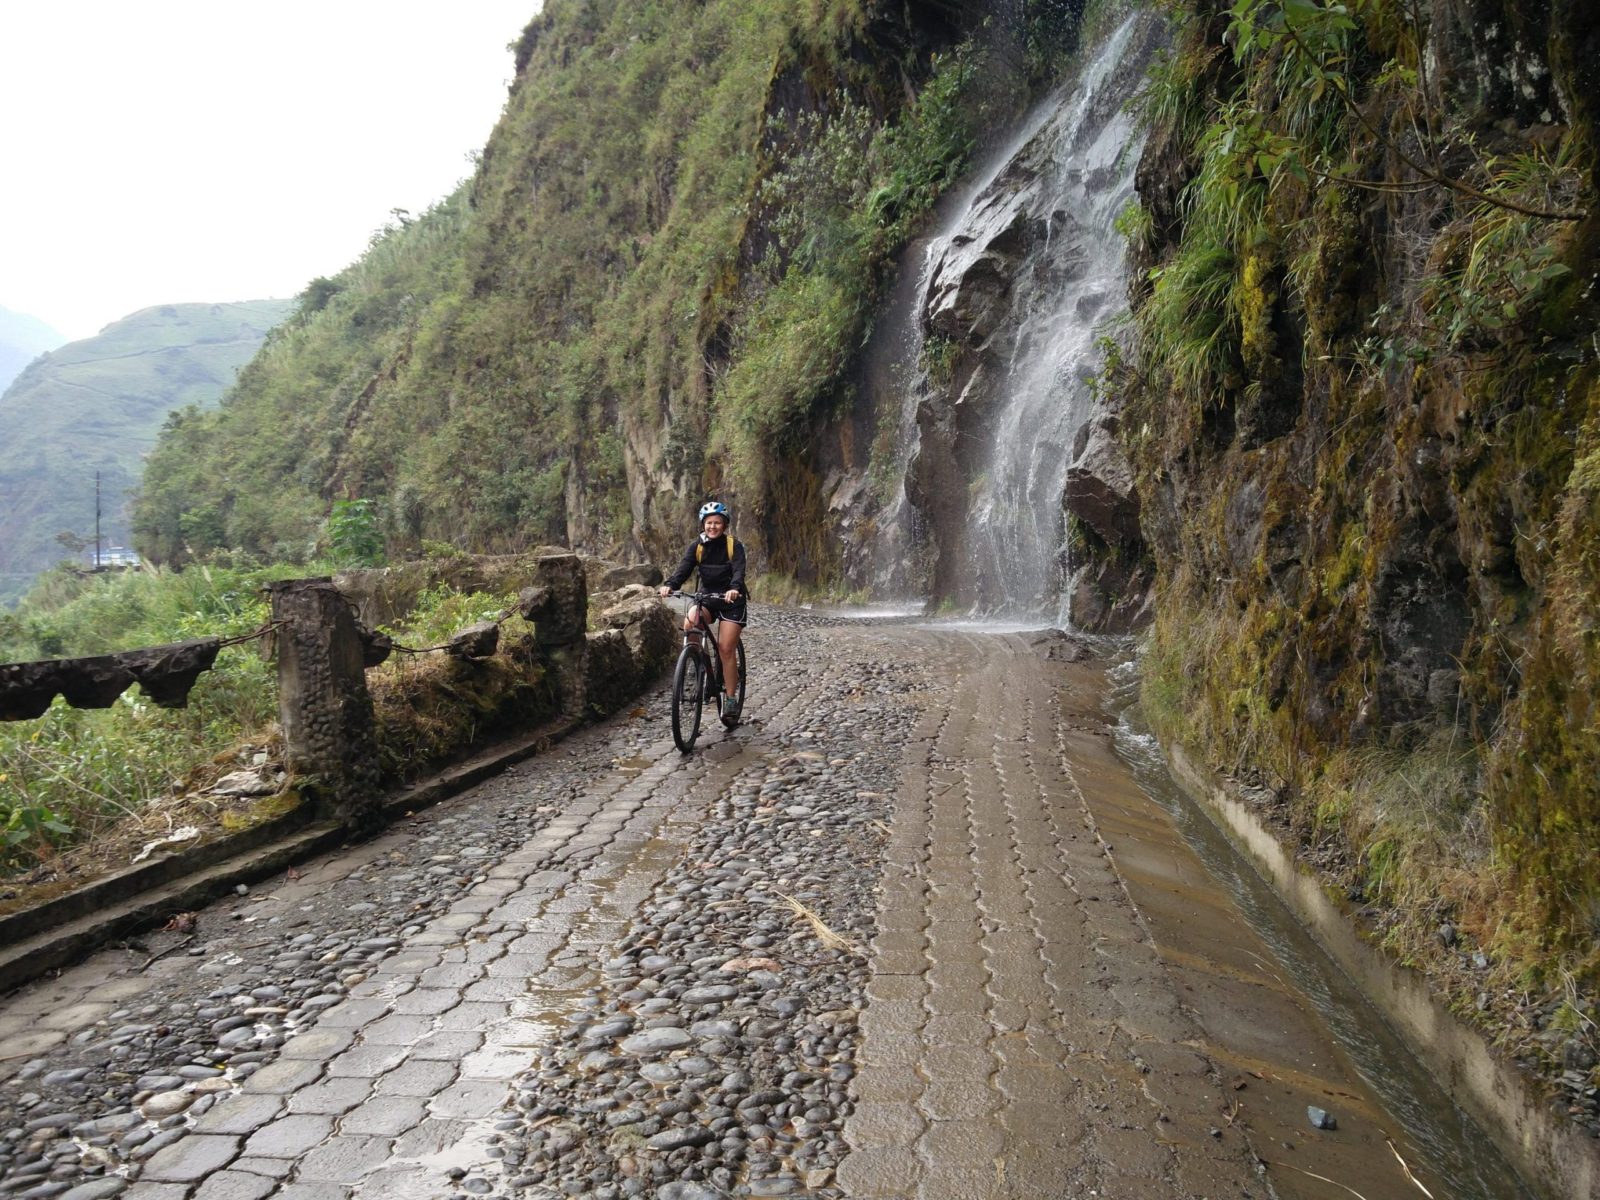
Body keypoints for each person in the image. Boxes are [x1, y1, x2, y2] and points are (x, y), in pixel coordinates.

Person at [660, 501, 747, 719]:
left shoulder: (733, 545)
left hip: (731, 601)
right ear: (703, 524)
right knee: (690, 623)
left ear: (724, 524)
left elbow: (738, 570)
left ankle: (730, 699)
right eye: (709, 523)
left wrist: (735, 589)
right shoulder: (697, 546)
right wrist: (670, 585)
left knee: (726, 648)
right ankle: (697, 664)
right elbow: (684, 569)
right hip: (707, 598)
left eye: (717, 522)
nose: (713, 527)